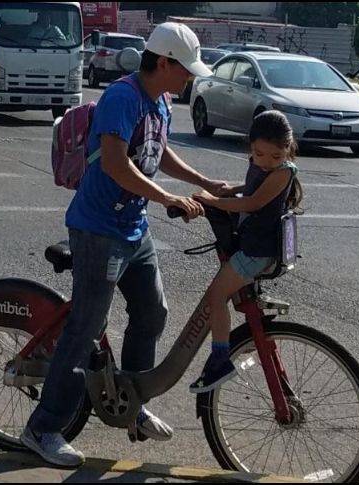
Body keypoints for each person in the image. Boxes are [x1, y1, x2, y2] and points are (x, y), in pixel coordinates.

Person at [20, 22, 228, 468]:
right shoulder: (122, 97)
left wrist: (205, 182)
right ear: (164, 63)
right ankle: (43, 427)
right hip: (98, 230)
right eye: (185, 69)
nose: (189, 78)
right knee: (86, 328)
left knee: (153, 311)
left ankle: (132, 402)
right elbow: (115, 164)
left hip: (134, 228)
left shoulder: (161, 101)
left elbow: (158, 151)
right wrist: (169, 198)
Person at [188, 110, 303, 394]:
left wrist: (214, 201)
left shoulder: (284, 171)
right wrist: (229, 190)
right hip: (253, 245)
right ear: (250, 147)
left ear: (288, 149)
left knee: (216, 296)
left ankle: (219, 359)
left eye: (275, 156)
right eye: (258, 154)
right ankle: (250, 340)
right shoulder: (266, 166)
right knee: (232, 296)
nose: (265, 162)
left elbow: (254, 202)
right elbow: (254, 187)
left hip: (256, 251)